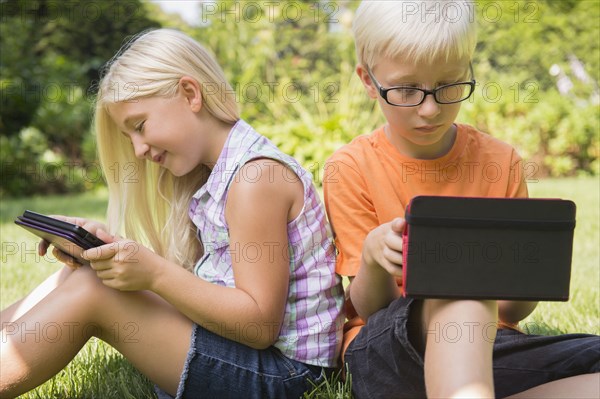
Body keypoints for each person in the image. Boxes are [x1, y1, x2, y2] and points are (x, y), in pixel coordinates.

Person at [0, 28, 344, 398]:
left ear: (190, 94)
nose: (138, 149)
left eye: (140, 126)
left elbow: (259, 325)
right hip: (256, 359)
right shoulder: (222, 174)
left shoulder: (255, 180)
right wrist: (110, 250)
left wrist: (155, 273)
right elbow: (215, 291)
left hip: (286, 376)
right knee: (86, 274)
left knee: (92, 290)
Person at [323, 1, 600, 398]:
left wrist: (531, 275)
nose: (430, 109)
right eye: (406, 90)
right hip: (389, 350)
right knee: (460, 288)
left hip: (493, 348)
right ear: (369, 81)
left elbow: (510, 312)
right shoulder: (350, 166)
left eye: (449, 85)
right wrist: (372, 258)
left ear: (468, 71)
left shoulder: (499, 161)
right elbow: (368, 308)